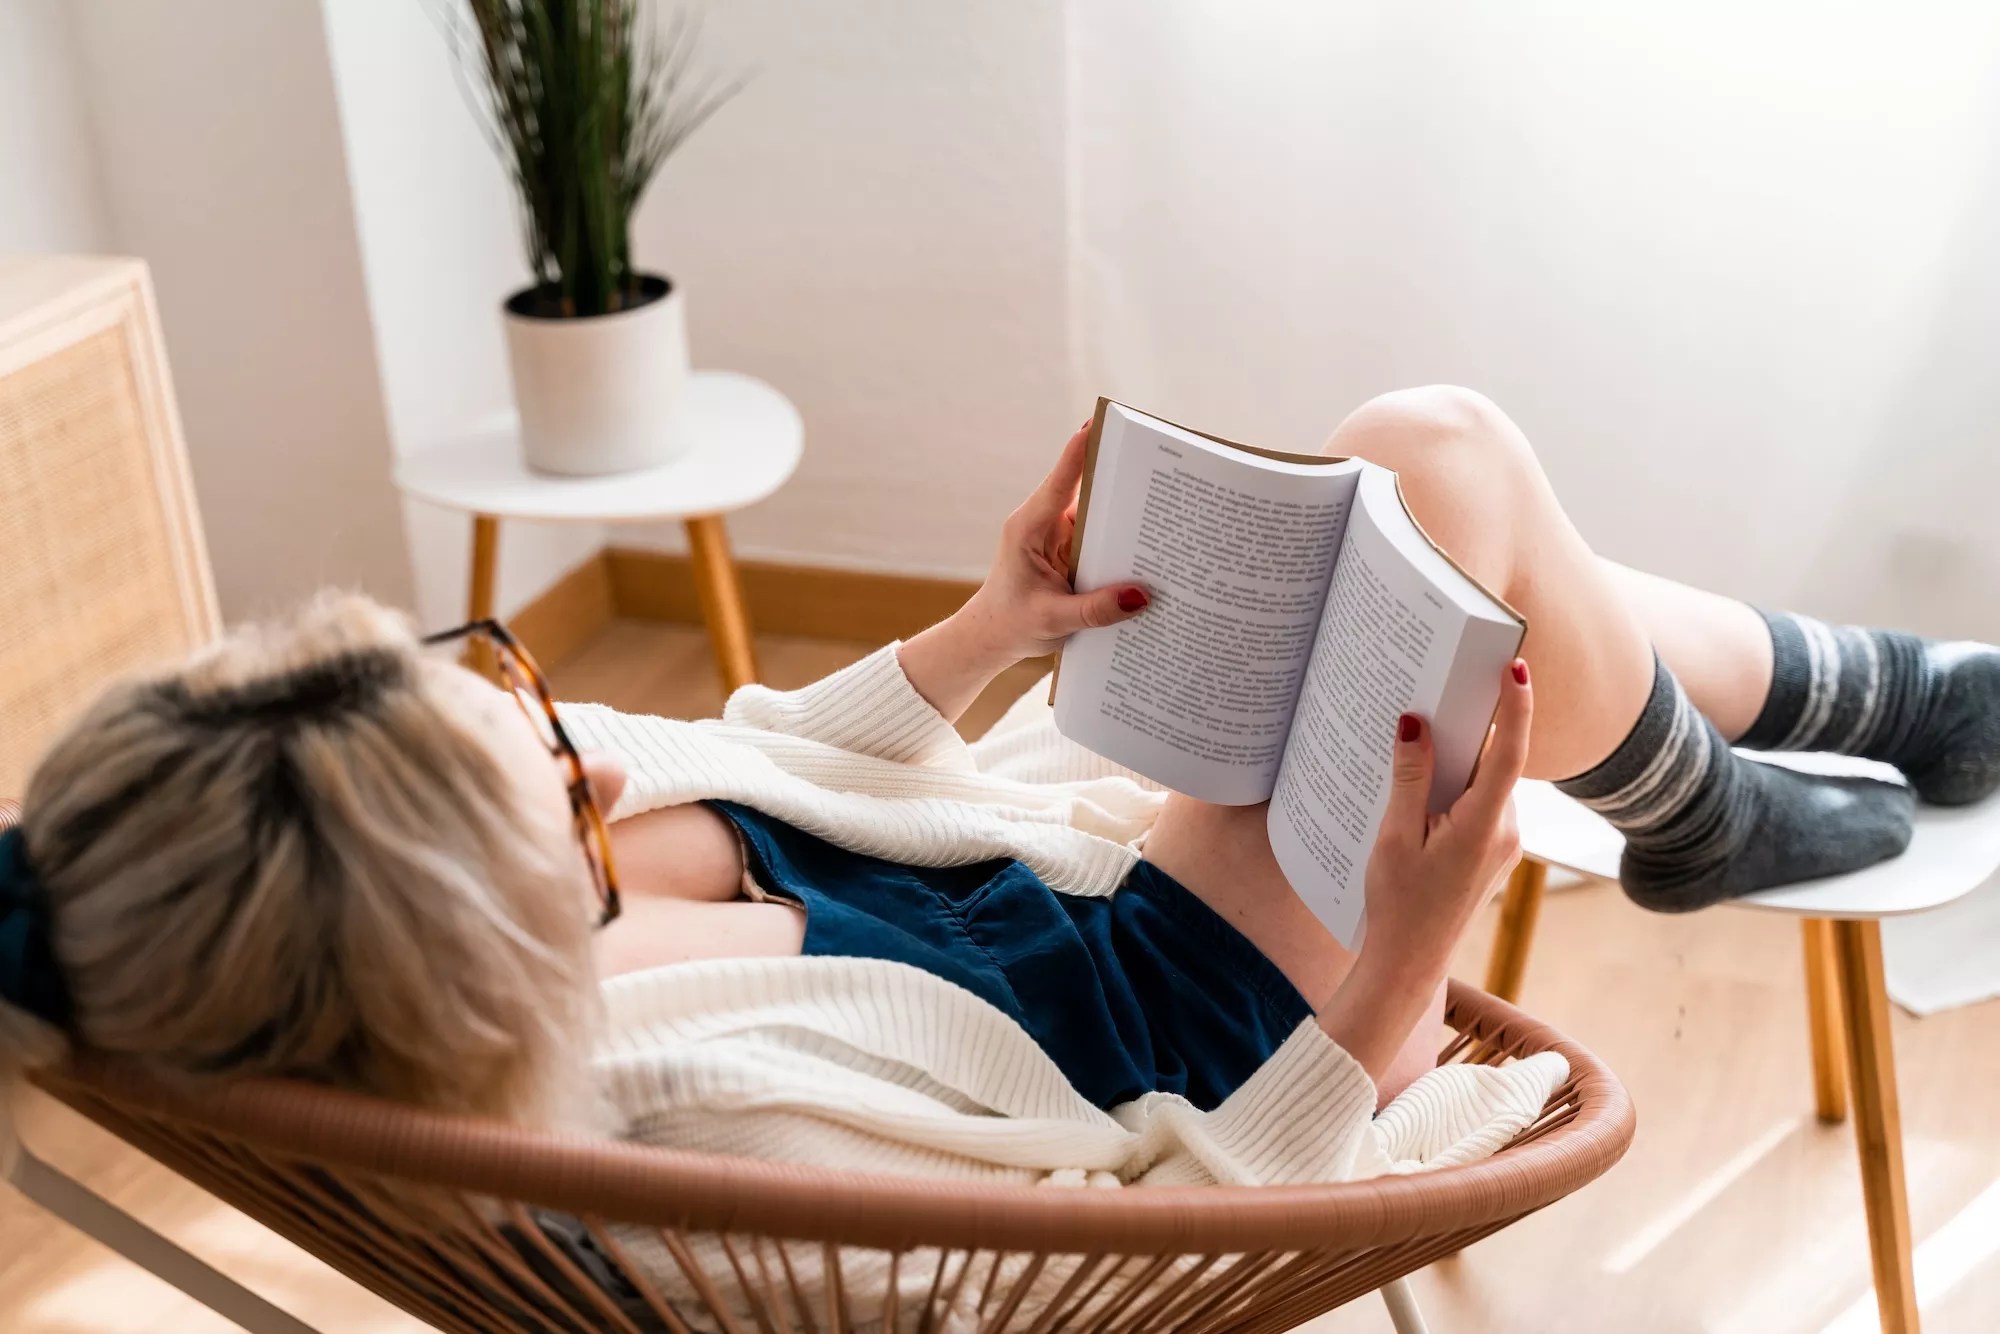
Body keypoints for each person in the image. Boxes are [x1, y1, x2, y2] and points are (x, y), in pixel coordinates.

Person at [2, 387, 1993, 1229]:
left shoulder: (441, 884)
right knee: (1441, 466)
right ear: (450, 939)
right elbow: (1155, 1231)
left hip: (1076, 875)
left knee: (1420, 484)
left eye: (513, 689)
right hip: (1213, 1031)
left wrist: (994, 627)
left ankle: (1731, 771)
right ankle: (1777, 739)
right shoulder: (707, 1142)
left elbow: (779, 762)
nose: (600, 750)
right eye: (545, 782)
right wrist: (1404, 945)